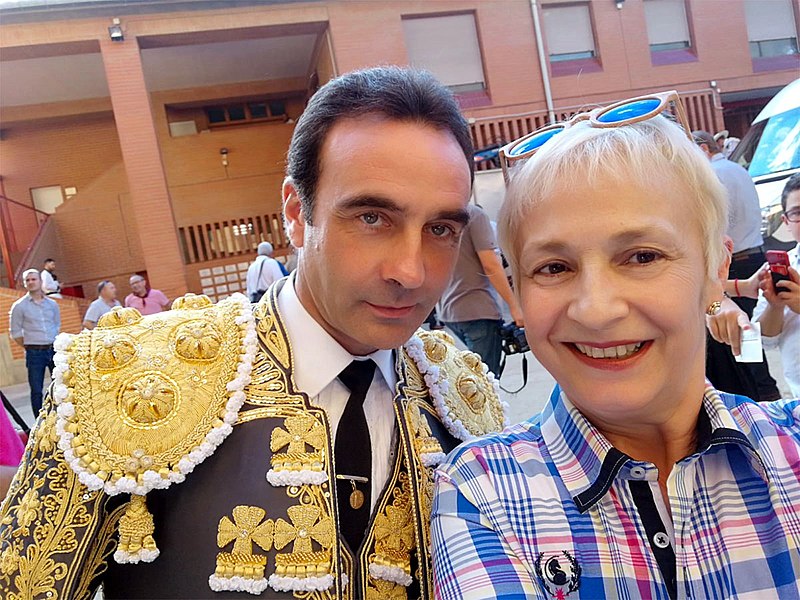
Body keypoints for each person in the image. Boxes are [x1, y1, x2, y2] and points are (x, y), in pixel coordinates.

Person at [0, 67, 507, 599]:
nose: (412, 271)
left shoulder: (462, 390)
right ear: (295, 213)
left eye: (441, 229)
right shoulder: (123, 381)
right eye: (372, 218)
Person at [432, 94, 800, 598]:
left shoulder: (791, 453)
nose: (595, 309)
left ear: (717, 268)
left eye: (642, 256)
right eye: (553, 267)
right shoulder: (484, 493)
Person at [694, 129, 781, 401]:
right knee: (745, 337)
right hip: (752, 256)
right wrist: (739, 288)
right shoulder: (738, 170)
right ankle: (764, 388)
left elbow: (708, 294)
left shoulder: (710, 177)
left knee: (741, 337)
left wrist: (721, 298)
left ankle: (761, 390)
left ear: (702, 148)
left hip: (734, 264)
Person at [438, 203, 524, 375]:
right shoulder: (474, 215)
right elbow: (491, 265)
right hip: (478, 311)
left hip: (448, 311)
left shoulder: (438, 213)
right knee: (486, 383)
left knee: (474, 377)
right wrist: (516, 308)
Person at [753, 174, 800, 397]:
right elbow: (764, 339)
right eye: (798, 213)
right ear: (786, 221)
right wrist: (775, 306)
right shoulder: (781, 267)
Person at [8, 269, 60, 415]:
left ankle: (62, 416)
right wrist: (30, 345)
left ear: (40, 281)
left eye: (33, 279)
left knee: (61, 386)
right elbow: (15, 332)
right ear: (24, 284)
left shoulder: (52, 304)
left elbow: (56, 325)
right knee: (37, 390)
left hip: (53, 350)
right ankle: (39, 423)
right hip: (34, 353)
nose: (31, 282)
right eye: (28, 280)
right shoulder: (19, 306)